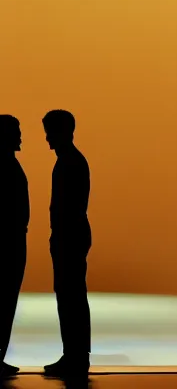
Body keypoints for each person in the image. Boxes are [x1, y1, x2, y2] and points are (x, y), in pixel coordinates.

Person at [42, 110, 92, 379]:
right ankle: (74, 354)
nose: (47, 138)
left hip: (69, 237)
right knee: (71, 296)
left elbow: (68, 207)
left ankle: (75, 356)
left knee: (70, 296)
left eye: (50, 131)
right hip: (69, 236)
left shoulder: (69, 163)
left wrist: (59, 236)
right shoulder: (70, 161)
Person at [0, 115, 30, 379]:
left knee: (6, 301)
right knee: (4, 301)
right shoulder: (5, 166)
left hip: (13, 240)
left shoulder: (8, 164)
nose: (21, 136)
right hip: (9, 243)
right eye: (16, 131)